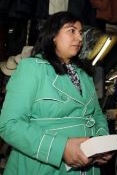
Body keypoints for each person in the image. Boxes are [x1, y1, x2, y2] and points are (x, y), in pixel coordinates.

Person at [0, 11, 111, 175]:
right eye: (71, 30)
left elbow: (97, 115)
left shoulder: (85, 76)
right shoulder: (32, 68)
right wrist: (61, 148)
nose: (80, 38)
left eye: (80, 33)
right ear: (53, 35)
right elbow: (9, 125)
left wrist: (102, 142)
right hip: (43, 168)